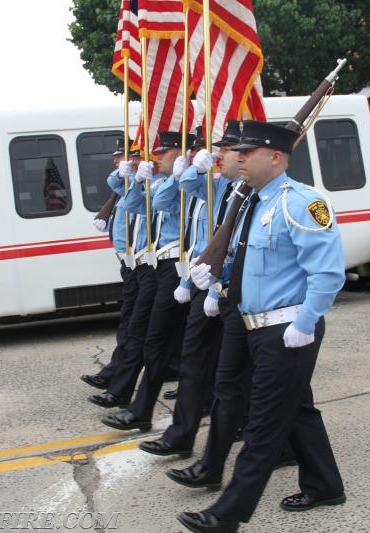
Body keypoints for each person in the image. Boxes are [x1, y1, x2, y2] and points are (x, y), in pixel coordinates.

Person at [177, 120, 347, 533]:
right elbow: (247, 260)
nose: (238, 158)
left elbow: (327, 274)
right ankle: (325, 485)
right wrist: (214, 280)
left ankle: (227, 514)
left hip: (287, 329)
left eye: (247, 152)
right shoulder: (254, 202)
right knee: (297, 410)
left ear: (275, 157)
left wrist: (306, 323)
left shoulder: (302, 202)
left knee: (264, 427)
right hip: (256, 326)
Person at [137, 123, 237, 456]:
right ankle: (181, 437)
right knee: (196, 361)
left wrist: (213, 289)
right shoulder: (204, 185)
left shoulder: (228, 187)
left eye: (224, 149)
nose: (214, 155)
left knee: (240, 371)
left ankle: (282, 439)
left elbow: (232, 243)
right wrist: (190, 169)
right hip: (199, 280)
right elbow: (162, 201)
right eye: (198, 150)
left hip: (224, 287)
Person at [101, 131, 194, 432]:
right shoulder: (165, 182)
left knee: (162, 341)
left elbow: (163, 203)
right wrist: (136, 179)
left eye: (163, 152)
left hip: (179, 267)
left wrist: (181, 176)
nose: (156, 157)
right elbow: (132, 204)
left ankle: (142, 407)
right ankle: (138, 405)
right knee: (154, 337)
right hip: (157, 265)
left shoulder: (192, 184)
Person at [81, 139, 141, 395]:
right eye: (118, 157)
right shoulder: (126, 183)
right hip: (128, 262)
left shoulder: (143, 184)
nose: (118, 161)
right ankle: (114, 375)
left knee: (133, 325)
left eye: (123, 156)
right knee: (136, 324)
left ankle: (114, 376)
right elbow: (113, 182)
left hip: (141, 262)